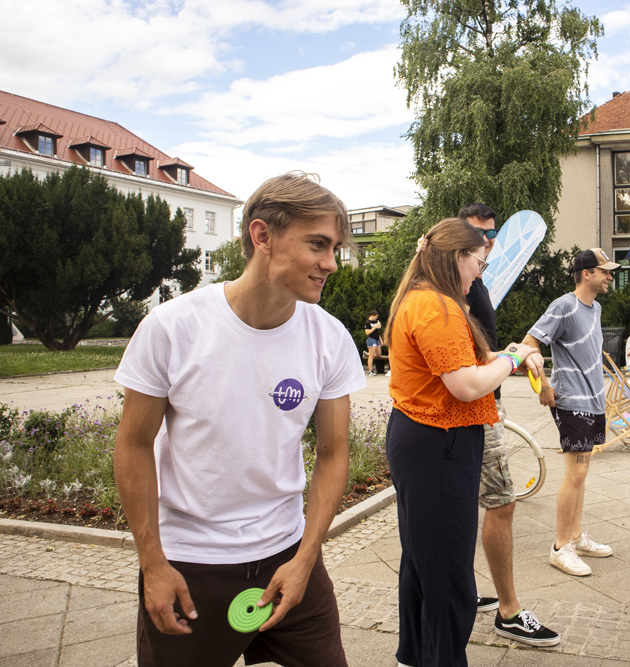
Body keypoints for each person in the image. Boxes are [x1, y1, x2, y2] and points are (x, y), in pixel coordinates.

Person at [113, 173, 365, 667]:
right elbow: (133, 445)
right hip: (191, 566)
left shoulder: (330, 337)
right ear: (262, 236)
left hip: (288, 557)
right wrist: (153, 563)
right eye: (318, 244)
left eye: (334, 248)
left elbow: (334, 453)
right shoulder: (172, 327)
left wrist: (306, 558)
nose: (331, 264)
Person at [384, 217, 544, 667]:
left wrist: (511, 353)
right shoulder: (437, 307)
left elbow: (467, 361)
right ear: (457, 256)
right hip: (440, 441)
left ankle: (417, 655)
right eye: (479, 262)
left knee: (424, 561)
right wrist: (512, 359)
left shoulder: (427, 299)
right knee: (448, 571)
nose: (480, 272)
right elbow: (467, 384)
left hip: (429, 438)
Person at [458, 202, 560, 647]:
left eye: (492, 234)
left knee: (473, 504)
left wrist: (515, 354)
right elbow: (464, 359)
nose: (487, 241)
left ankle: (464, 592)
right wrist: (512, 357)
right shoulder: (450, 285)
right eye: (476, 234)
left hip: (482, 404)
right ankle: (509, 611)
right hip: (474, 408)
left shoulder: (474, 278)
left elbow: (479, 347)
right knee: (501, 502)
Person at [523, 248, 619, 577]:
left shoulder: (596, 308)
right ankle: (560, 546)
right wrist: (542, 385)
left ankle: (575, 536)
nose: (610, 277)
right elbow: (529, 343)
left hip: (593, 400)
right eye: (604, 271)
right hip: (571, 401)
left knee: (582, 471)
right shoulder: (564, 306)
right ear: (586, 273)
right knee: (575, 473)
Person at [364, 309, 383, 376]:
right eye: (375, 316)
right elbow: (367, 332)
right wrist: (375, 327)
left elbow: (377, 332)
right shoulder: (367, 323)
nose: (376, 318)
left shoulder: (375, 322)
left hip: (377, 339)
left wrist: (380, 339)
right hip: (371, 339)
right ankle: (370, 371)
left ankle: (367, 353)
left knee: (378, 355)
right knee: (371, 356)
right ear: (372, 315)